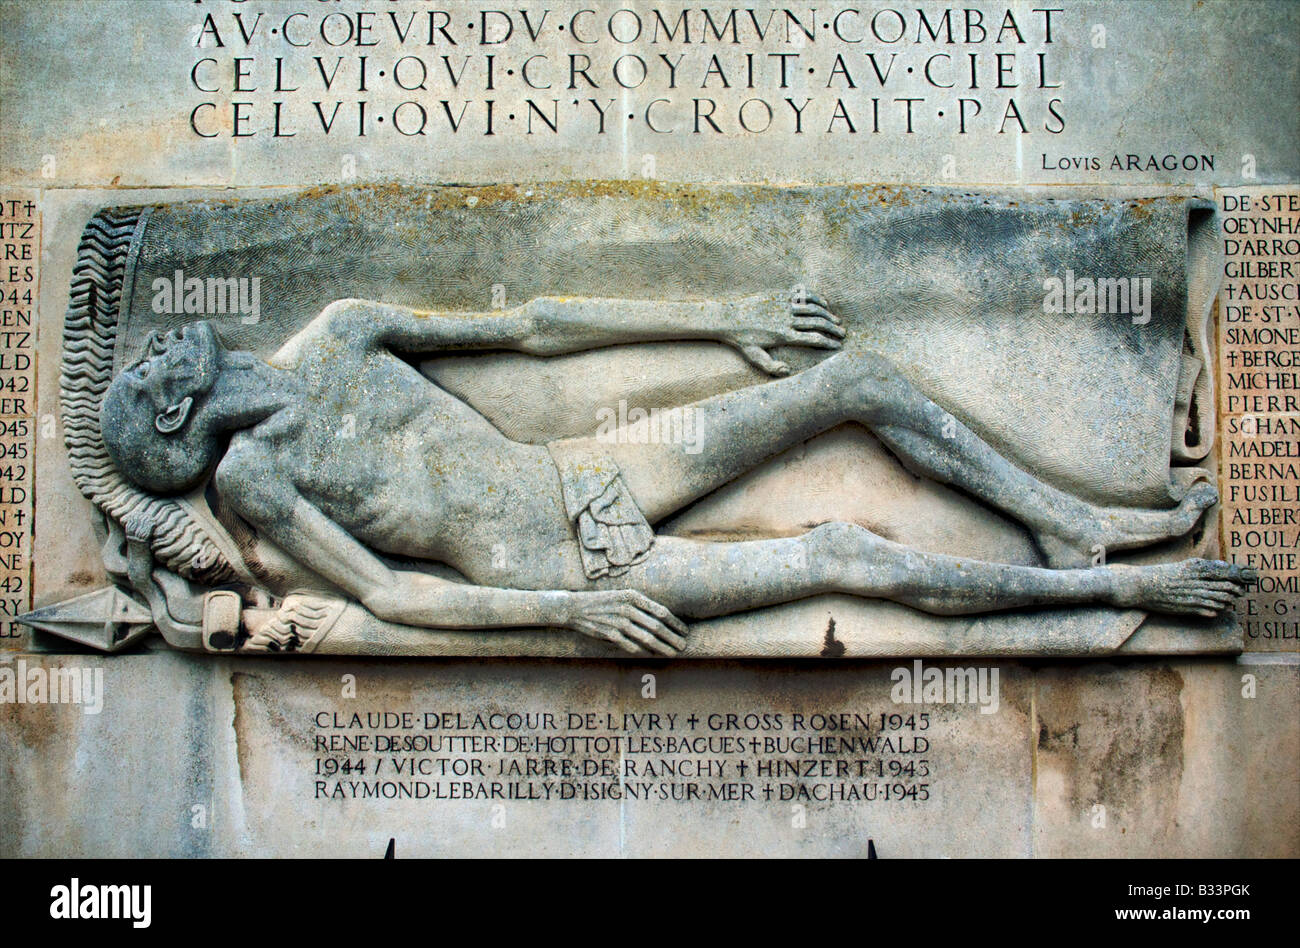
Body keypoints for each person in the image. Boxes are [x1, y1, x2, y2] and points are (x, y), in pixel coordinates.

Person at [99, 293, 1250, 655]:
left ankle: (1075, 525)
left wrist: (724, 316)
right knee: (845, 559)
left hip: (583, 471)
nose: (164, 347)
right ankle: (1117, 593)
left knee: (857, 381)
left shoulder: (342, 330)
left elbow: (536, 330)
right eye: (150, 364)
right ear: (173, 411)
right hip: (556, 560)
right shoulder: (255, 481)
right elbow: (392, 593)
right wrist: (576, 611)